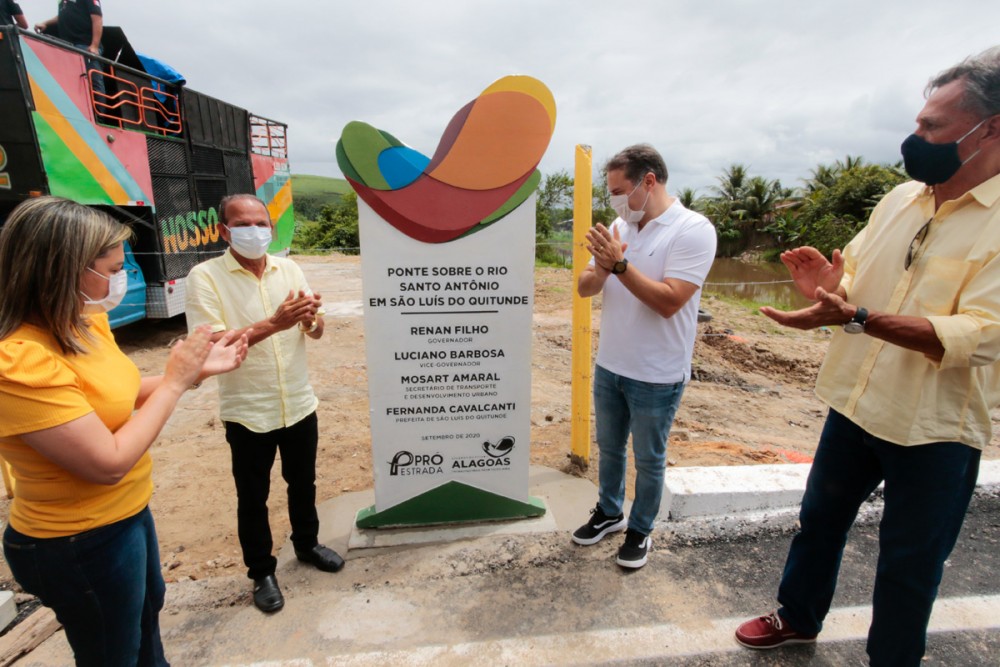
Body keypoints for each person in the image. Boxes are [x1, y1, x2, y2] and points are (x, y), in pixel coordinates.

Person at [734, 46, 1000, 666]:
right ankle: (798, 617)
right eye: (917, 122)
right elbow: (854, 285)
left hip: (932, 428)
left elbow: (981, 334)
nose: (916, 137)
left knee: (909, 564)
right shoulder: (898, 201)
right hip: (856, 404)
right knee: (818, 520)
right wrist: (828, 291)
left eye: (932, 127)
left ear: (988, 131)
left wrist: (853, 315)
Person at [0, 197, 248, 667]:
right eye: (112, 268)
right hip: (77, 541)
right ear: (64, 269)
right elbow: (107, 463)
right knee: (114, 654)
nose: (121, 278)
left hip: (128, 517)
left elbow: (124, 392)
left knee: (143, 628)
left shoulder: (83, 323)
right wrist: (176, 382)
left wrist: (202, 370)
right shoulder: (19, 361)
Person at [185, 194, 344, 614]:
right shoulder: (205, 277)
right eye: (244, 224)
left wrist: (310, 319)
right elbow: (214, 345)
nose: (255, 231)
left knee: (303, 483)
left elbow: (316, 329)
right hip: (248, 410)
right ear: (224, 230)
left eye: (262, 223)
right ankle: (261, 572)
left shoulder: (288, 268)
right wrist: (276, 322)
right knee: (252, 496)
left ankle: (307, 545)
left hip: (297, 401)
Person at [574, 144, 717, 569]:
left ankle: (640, 529)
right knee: (610, 448)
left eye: (620, 190)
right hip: (611, 364)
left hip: (657, 373)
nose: (616, 201)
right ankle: (609, 512)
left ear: (648, 181)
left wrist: (620, 267)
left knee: (649, 458)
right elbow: (584, 287)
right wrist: (602, 268)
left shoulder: (692, 229)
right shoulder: (622, 226)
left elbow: (670, 301)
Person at [34, 0, 104, 95]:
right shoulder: (62, 1)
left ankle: (98, 109)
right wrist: (45, 23)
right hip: (68, 47)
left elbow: (97, 17)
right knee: (70, 81)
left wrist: (94, 46)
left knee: (93, 81)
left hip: (85, 46)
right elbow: (64, 15)